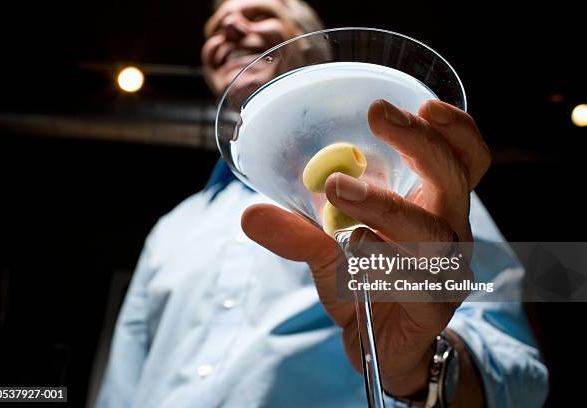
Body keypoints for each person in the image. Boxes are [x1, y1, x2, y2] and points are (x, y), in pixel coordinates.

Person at [97, 0, 549, 406]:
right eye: (214, 26)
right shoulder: (171, 228)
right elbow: (124, 378)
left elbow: (515, 370)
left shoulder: (413, 178)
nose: (229, 25)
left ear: (314, 50)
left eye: (260, 13)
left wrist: (419, 371)